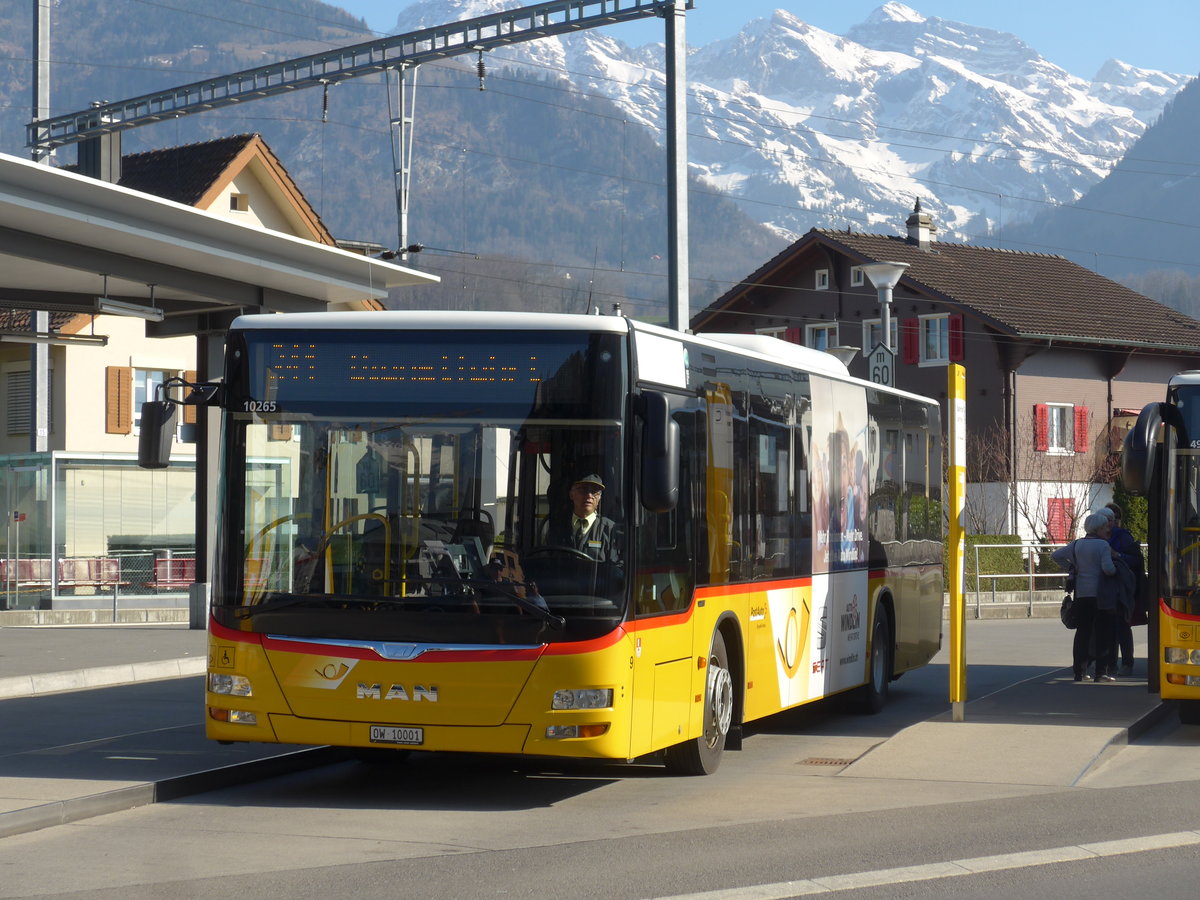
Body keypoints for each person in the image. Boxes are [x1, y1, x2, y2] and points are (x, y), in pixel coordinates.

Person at [1053, 512, 1117, 682]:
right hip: (1100, 596)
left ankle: (1079, 672)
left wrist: (1072, 567)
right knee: (1102, 634)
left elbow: (1056, 555)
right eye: (1105, 527)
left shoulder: (1077, 544)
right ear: (1099, 528)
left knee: (1083, 633)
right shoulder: (1103, 545)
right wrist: (1116, 564)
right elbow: (1108, 569)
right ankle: (1100, 673)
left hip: (1081, 595)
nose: (1107, 530)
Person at [1104, 503, 1144, 676]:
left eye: (1114, 518)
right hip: (1104, 587)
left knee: (1121, 625)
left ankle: (1127, 663)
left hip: (1122, 587)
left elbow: (1136, 560)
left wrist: (1117, 555)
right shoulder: (1097, 537)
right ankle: (1110, 664)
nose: (1111, 522)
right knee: (1108, 627)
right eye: (1107, 518)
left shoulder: (1123, 536)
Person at [548, 474, 620, 563]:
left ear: (599, 498)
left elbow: (616, 566)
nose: (589, 495)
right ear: (571, 495)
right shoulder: (558, 527)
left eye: (594, 491)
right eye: (583, 490)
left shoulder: (609, 529)